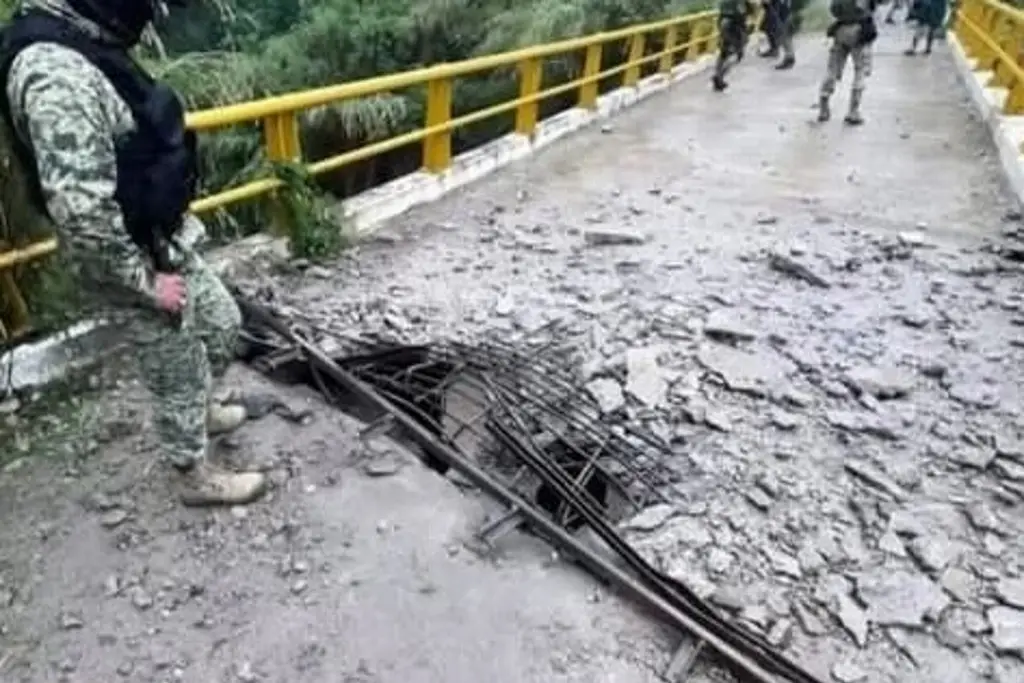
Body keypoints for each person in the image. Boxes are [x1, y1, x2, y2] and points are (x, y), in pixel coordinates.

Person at [0, 0, 268, 506]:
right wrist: (145, 285)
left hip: (157, 237)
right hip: (129, 258)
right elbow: (81, 212)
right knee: (175, 363)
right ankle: (193, 475)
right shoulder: (53, 69)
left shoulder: (85, 37)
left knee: (220, 324)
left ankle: (201, 409)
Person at [817, 0, 879, 125]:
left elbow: (834, 9)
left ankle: (823, 107)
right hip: (861, 31)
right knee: (860, 71)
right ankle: (853, 111)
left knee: (832, 70)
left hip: (841, 29)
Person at [712, 0, 757, 91]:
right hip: (736, 29)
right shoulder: (741, 3)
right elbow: (746, 13)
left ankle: (718, 75)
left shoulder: (724, 3)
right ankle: (719, 76)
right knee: (737, 55)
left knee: (723, 53)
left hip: (724, 27)